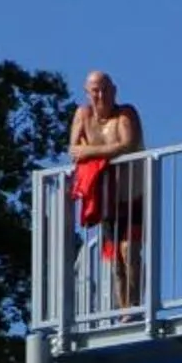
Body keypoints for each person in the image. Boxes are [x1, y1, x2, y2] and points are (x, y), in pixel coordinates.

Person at [68, 70, 146, 309]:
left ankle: (134, 304)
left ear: (114, 91)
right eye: (95, 91)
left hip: (133, 195)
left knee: (129, 250)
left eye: (105, 90)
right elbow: (74, 151)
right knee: (115, 261)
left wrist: (90, 151)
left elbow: (127, 144)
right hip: (106, 199)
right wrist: (98, 152)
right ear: (87, 93)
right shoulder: (83, 115)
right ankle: (123, 309)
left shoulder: (126, 114)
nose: (101, 96)